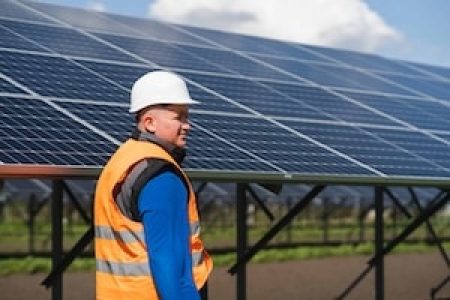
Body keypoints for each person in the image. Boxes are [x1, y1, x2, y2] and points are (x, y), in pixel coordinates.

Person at [94, 70, 213, 299]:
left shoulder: (122, 160)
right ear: (149, 123)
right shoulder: (161, 175)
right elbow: (172, 268)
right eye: (179, 117)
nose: (187, 125)